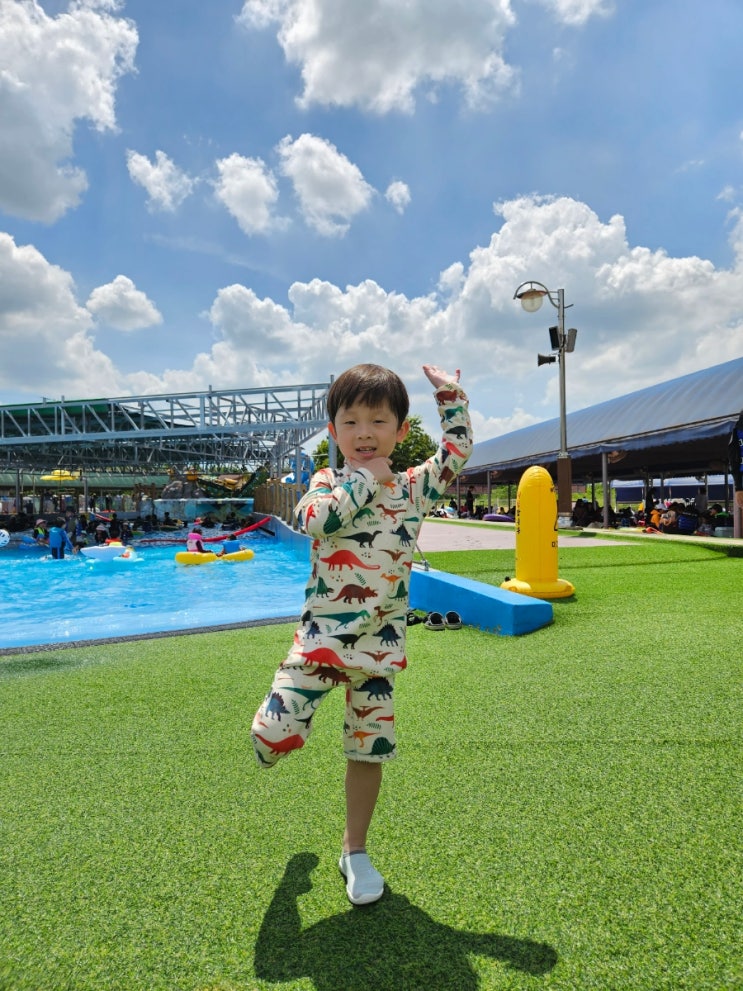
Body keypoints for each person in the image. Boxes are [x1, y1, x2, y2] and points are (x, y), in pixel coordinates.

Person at [250, 362, 472, 906]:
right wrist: (368, 478)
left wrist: (450, 396)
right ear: (333, 431)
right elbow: (316, 521)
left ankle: (355, 849)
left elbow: (456, 451)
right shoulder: (325, 483)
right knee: (270, 739)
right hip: (318, 647)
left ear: (400, 430)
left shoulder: (415, 488)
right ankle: (285, 744)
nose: (364, 433)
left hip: (377, 655)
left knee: (368, 751)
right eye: (351, 422)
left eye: (378, 421)